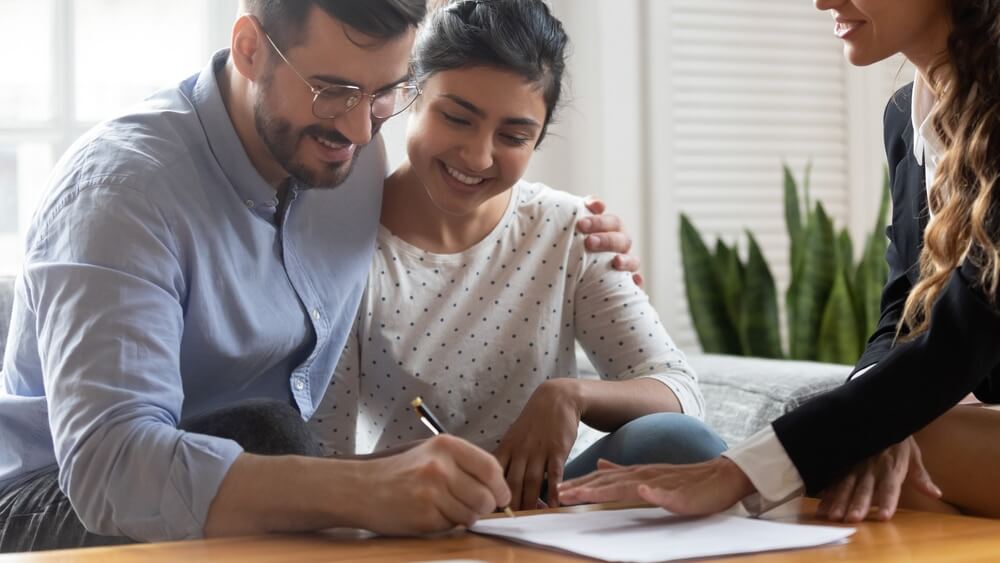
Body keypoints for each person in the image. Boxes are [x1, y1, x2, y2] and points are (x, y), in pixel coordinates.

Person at [0, 0, 639, 552]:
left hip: (263, 473)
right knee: (268, 433)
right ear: (250, 49)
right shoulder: (122, 191)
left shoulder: (347, 155)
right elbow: (111, 470)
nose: (360, 128)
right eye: (332, 90)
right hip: (48, 498)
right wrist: (357, 488)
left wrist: (577, 233)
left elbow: (457, 206)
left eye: (386, 92)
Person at [559, 0, 1000, 523]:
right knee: (865, 450)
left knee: (871, 444)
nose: (822, 1)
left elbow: (962, 337)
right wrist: (877, 421)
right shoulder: (905, 118)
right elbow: (902, 312)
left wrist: (738, 470)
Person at [308, 0, 726, 512]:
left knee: (681, 444)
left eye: (513, 136)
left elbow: (680, 392)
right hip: (404, 511)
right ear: (409, 96)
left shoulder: (571, 231)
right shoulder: (342, 247)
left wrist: (570, 395)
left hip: (543, 510)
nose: (478, 156)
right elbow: (321, 455)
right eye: (457, 118)